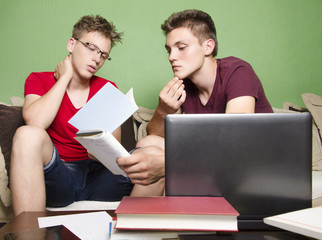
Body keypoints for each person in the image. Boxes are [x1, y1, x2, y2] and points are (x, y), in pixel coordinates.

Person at [10, 15, 161, 217]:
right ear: (72, 44)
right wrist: (64, 78)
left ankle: (135, 227)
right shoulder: (39, 79)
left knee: (158, 152)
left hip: (97, 177)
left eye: (103, 55)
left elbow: (111, 153)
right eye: (91, 48)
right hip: (59, 175)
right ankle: (28, 232)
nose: (97, 59)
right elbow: (35, 123)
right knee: (26, 134)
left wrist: (99, 147)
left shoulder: (107, 89)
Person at [117, 9, 273, 191]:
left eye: (181, 47)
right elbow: (155, 135)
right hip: (215, 160)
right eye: (169, 50)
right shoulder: (185, 85)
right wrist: (163, 109)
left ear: (208, 47)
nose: (171, 57)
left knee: (161, 163)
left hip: (253, 162)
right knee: (147, 144)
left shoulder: (238, 72)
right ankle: (135, 219)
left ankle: (135, 218)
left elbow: (235, 143)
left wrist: (166, 164)